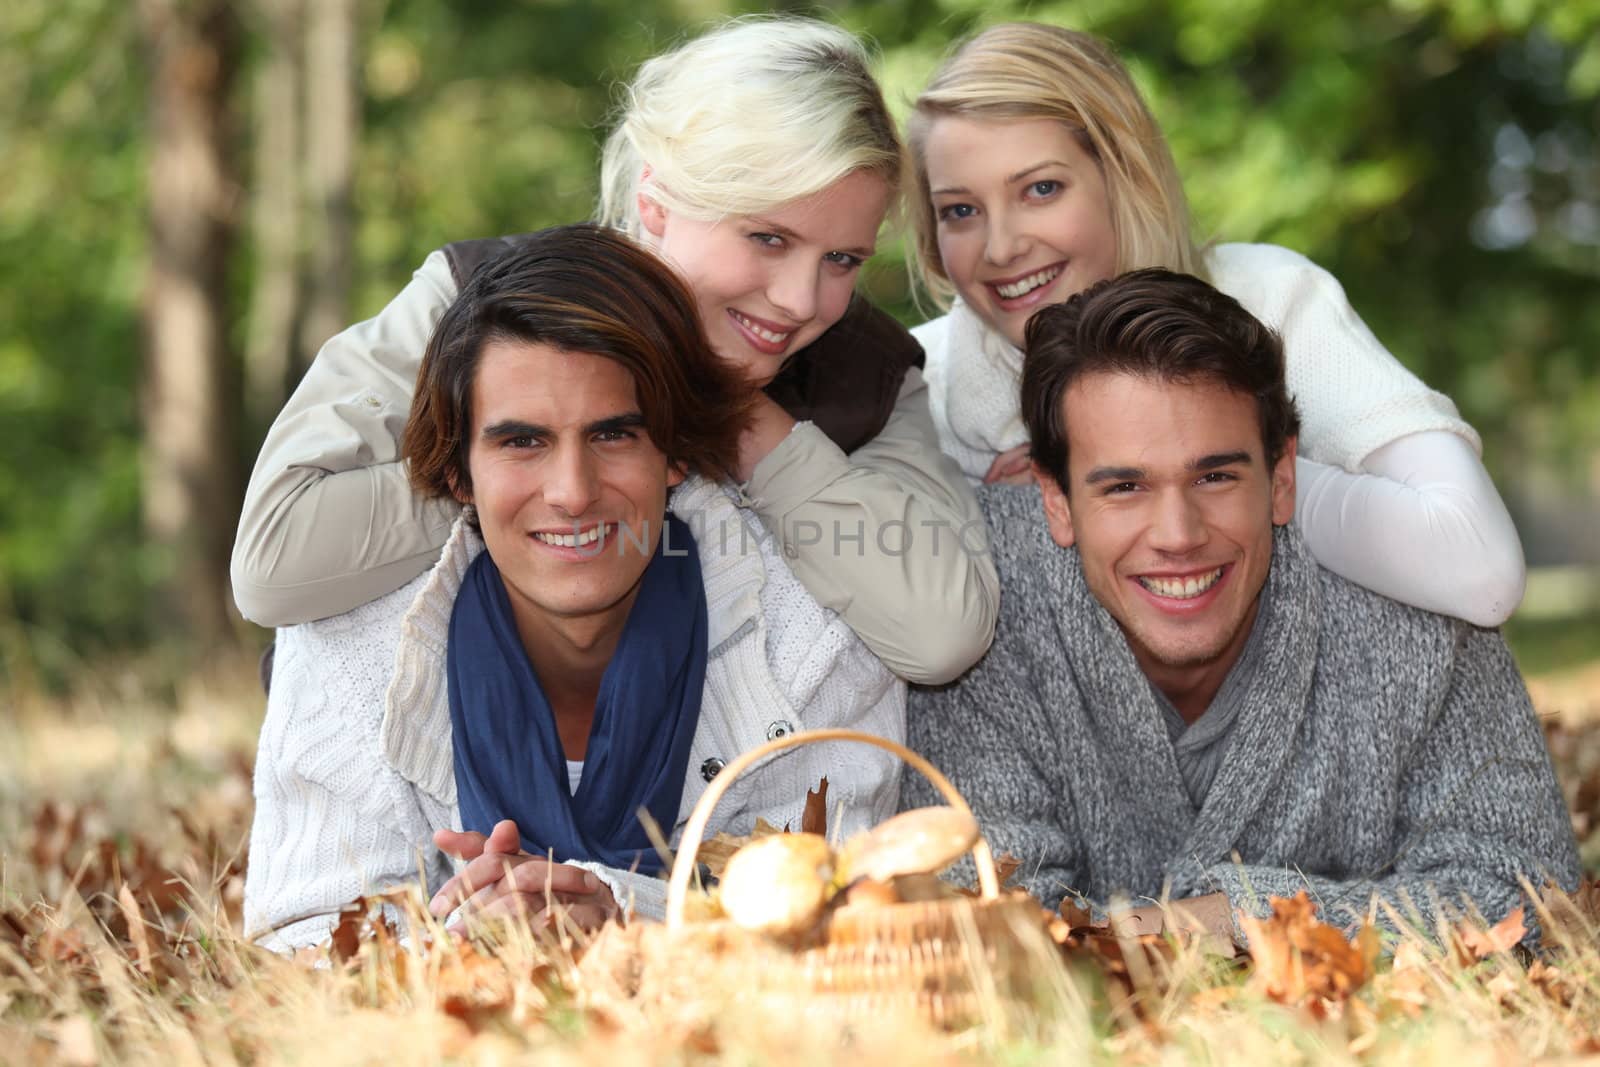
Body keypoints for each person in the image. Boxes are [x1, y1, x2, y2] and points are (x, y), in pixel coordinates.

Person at [230, 17, 996, 685]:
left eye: (843, 260)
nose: (802, 301)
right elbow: (272, 563)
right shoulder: (471, 300)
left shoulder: (868, 374)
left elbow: (944, 634)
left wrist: (733, 421)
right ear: (655, 203)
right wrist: (536, 473)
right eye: (768, 237)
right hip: (424, 805)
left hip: (731, 815)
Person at [244, 226, 908, 952]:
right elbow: (303, 943)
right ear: (458, 472)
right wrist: (477, 936)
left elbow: (844, 916)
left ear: (677, 451)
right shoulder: (344, 647)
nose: (572, 492)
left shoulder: (811, 639)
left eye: (614, 436)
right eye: (521, 441)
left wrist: (618, 914)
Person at [902, 269, 1579, 935]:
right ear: (1057, 500)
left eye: (1216, 475)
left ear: (1282, 476)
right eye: (1124, 488)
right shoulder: (980, 610)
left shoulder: (1413, 614)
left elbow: (1527, 891)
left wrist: (1230, 917)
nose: (1179, 535)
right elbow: (979, 917)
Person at [904, 21, 1524, 627]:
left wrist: (1234, 479)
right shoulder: (917, 385)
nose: (1002, 247)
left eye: (1040, 189)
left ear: (1124, 177)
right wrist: (990, 515)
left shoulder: (1272, 300)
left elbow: (1479, 568)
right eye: (960, 210)